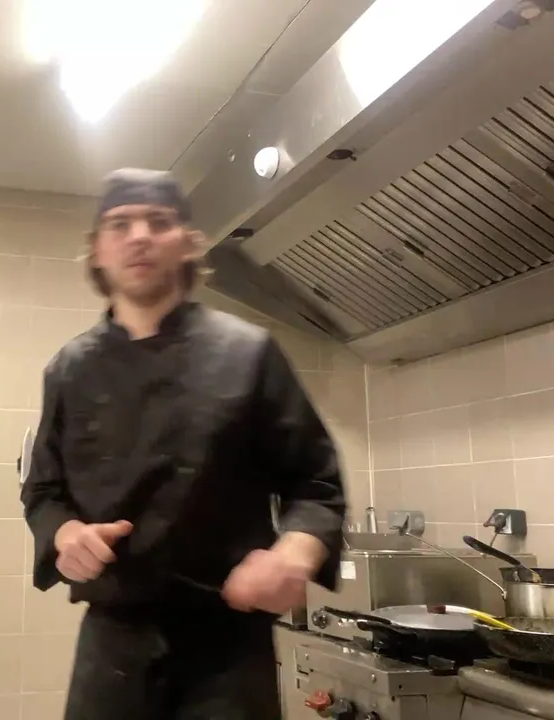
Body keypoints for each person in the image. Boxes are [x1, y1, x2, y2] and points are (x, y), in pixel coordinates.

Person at [20, 168, 346, 720]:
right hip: (112, 650)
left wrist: (293, 554)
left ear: (188, 243)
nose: (139, 236)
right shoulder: (69, 370)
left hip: (228, 653)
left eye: (159, 222)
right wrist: (66, 535)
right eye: (120, 224)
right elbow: (43, 492)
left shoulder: (249, 354)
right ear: (97, 250)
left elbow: (317, 485)